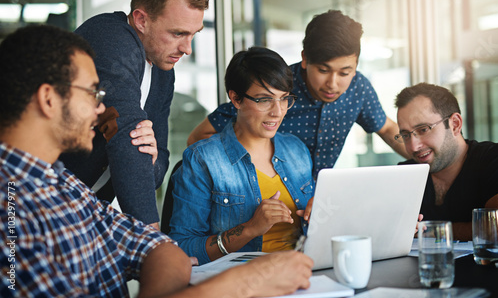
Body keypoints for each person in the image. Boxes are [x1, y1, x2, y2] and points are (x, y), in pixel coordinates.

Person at [0, 25, 313, 298]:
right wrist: (246, 281)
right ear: (49, 99)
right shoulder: (9, 209)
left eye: (284, 99)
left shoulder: (63, 183)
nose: (101, 109)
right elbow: (179, 247)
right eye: (93, 93)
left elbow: (155, 246)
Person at [60, 0, 209, 228]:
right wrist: (153, 245)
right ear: (141, 19)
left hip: (84, 215)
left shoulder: (164, 70)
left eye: (193, 34)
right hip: (33, 204)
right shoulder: (111, 38)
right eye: (178, 33)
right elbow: (126, 139)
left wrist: (149, 161)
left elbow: (158, 164)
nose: (187, 48)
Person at [188, 10, 408, 179]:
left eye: (345, 72)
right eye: (323, 70)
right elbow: (198, 137)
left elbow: (388, 129)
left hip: (319, 205)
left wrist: (422, 156)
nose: (333, 84)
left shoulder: (358, 88)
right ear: (305, 58)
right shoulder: (278, 87)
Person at [168, 47, 315, 265]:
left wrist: (319, 212)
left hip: (304, 271)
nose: (278, 111)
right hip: (242, 281)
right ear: (236, 99)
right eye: (264, 100)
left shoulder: (296, 149)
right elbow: (182, 247)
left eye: (284, 99)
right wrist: (249, 229)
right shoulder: (203, 159)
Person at [395, 83, 498, 241]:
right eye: (405, 135)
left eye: (423, 129)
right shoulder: (404, 174)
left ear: (455, 124)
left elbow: (496, 228)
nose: (413, 146)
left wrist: (428, 231)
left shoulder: (493, 159)